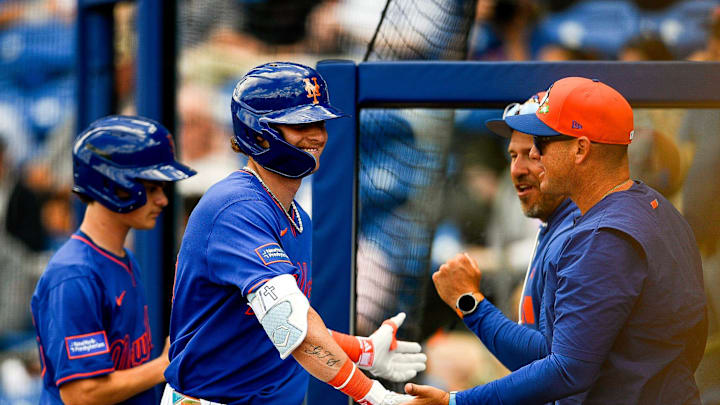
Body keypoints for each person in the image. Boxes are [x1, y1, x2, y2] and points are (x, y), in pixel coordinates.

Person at [405, 77, 707, 404]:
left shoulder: (603, 237)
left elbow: (566, 370)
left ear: (580, 148)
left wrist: (458, 401)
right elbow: (554, 353)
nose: (535, 155)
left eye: (543, 143)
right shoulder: (656, 208)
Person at [164, 62, 425, 405]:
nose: (316, 135)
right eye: (300, 123)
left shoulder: (297, 215)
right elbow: (291, 327)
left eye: (319, 122)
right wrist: (374, 396)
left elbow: (270, 326)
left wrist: (363, 351)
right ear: (259, 131)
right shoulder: (236, 206)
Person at [30, 115, 197, 404]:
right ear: (112, 185)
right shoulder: (74, 274)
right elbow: (82, 394)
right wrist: (163, 366)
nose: (163, 201)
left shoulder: (124, 258)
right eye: (152, 188)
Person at [483, 93, 579, 333]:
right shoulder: (553, 226)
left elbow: (554, 362)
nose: (516, 170)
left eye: (531, 155)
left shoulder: (582, 234)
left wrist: (470, 303)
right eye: (513, 156)